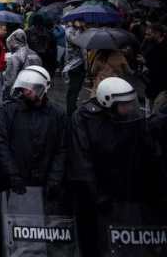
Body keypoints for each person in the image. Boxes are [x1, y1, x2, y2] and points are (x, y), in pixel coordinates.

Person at [70, 77, 164, 256]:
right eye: (124, 104)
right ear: (108, 103)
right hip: (99, 196)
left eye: (130, 103)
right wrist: (97, 195)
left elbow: (148, 153)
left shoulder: (131, 120)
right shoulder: (85, 118)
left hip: (125, 195)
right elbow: (82, 162)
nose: (129, 108)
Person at [0, 66, 68, 196]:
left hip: (44, 184)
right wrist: (12, 175)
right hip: (14, 184)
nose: (26, 91)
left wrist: (54, 179)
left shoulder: (57, 114)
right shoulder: (8, 111)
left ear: (43, 88)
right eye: (25, 86)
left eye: (32, 87)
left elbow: (62, 148)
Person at [3, 28, 42, 98]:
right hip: (34, 89)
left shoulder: (15, 57)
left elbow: (10, 80)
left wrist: (6, 92)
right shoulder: (34, 54)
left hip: (19, 91)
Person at [63, 20, 87, 116]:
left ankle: (72, 108)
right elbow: (79, 42)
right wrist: (81, 29)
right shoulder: (70, 31)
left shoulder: (78, 30)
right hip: (74, 65)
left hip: (80, 64)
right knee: (73, 89)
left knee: (76, 89)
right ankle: (70, 111)